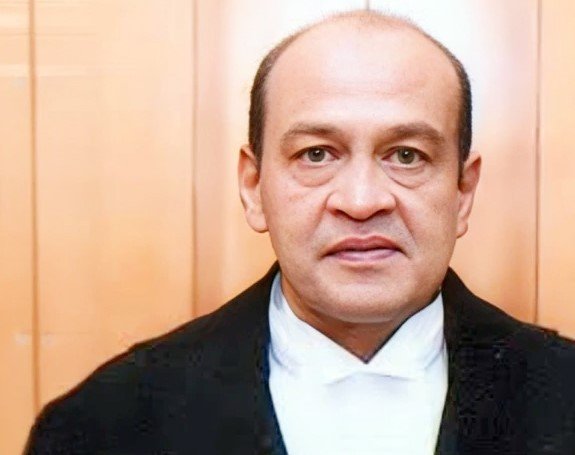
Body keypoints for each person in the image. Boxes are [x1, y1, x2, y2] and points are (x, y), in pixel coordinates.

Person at [26, 10, 575, 455]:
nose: (361, 201)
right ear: (253, 186)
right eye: (316, 154)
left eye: (406, 155)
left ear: (462, 192)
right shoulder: (101, 425)